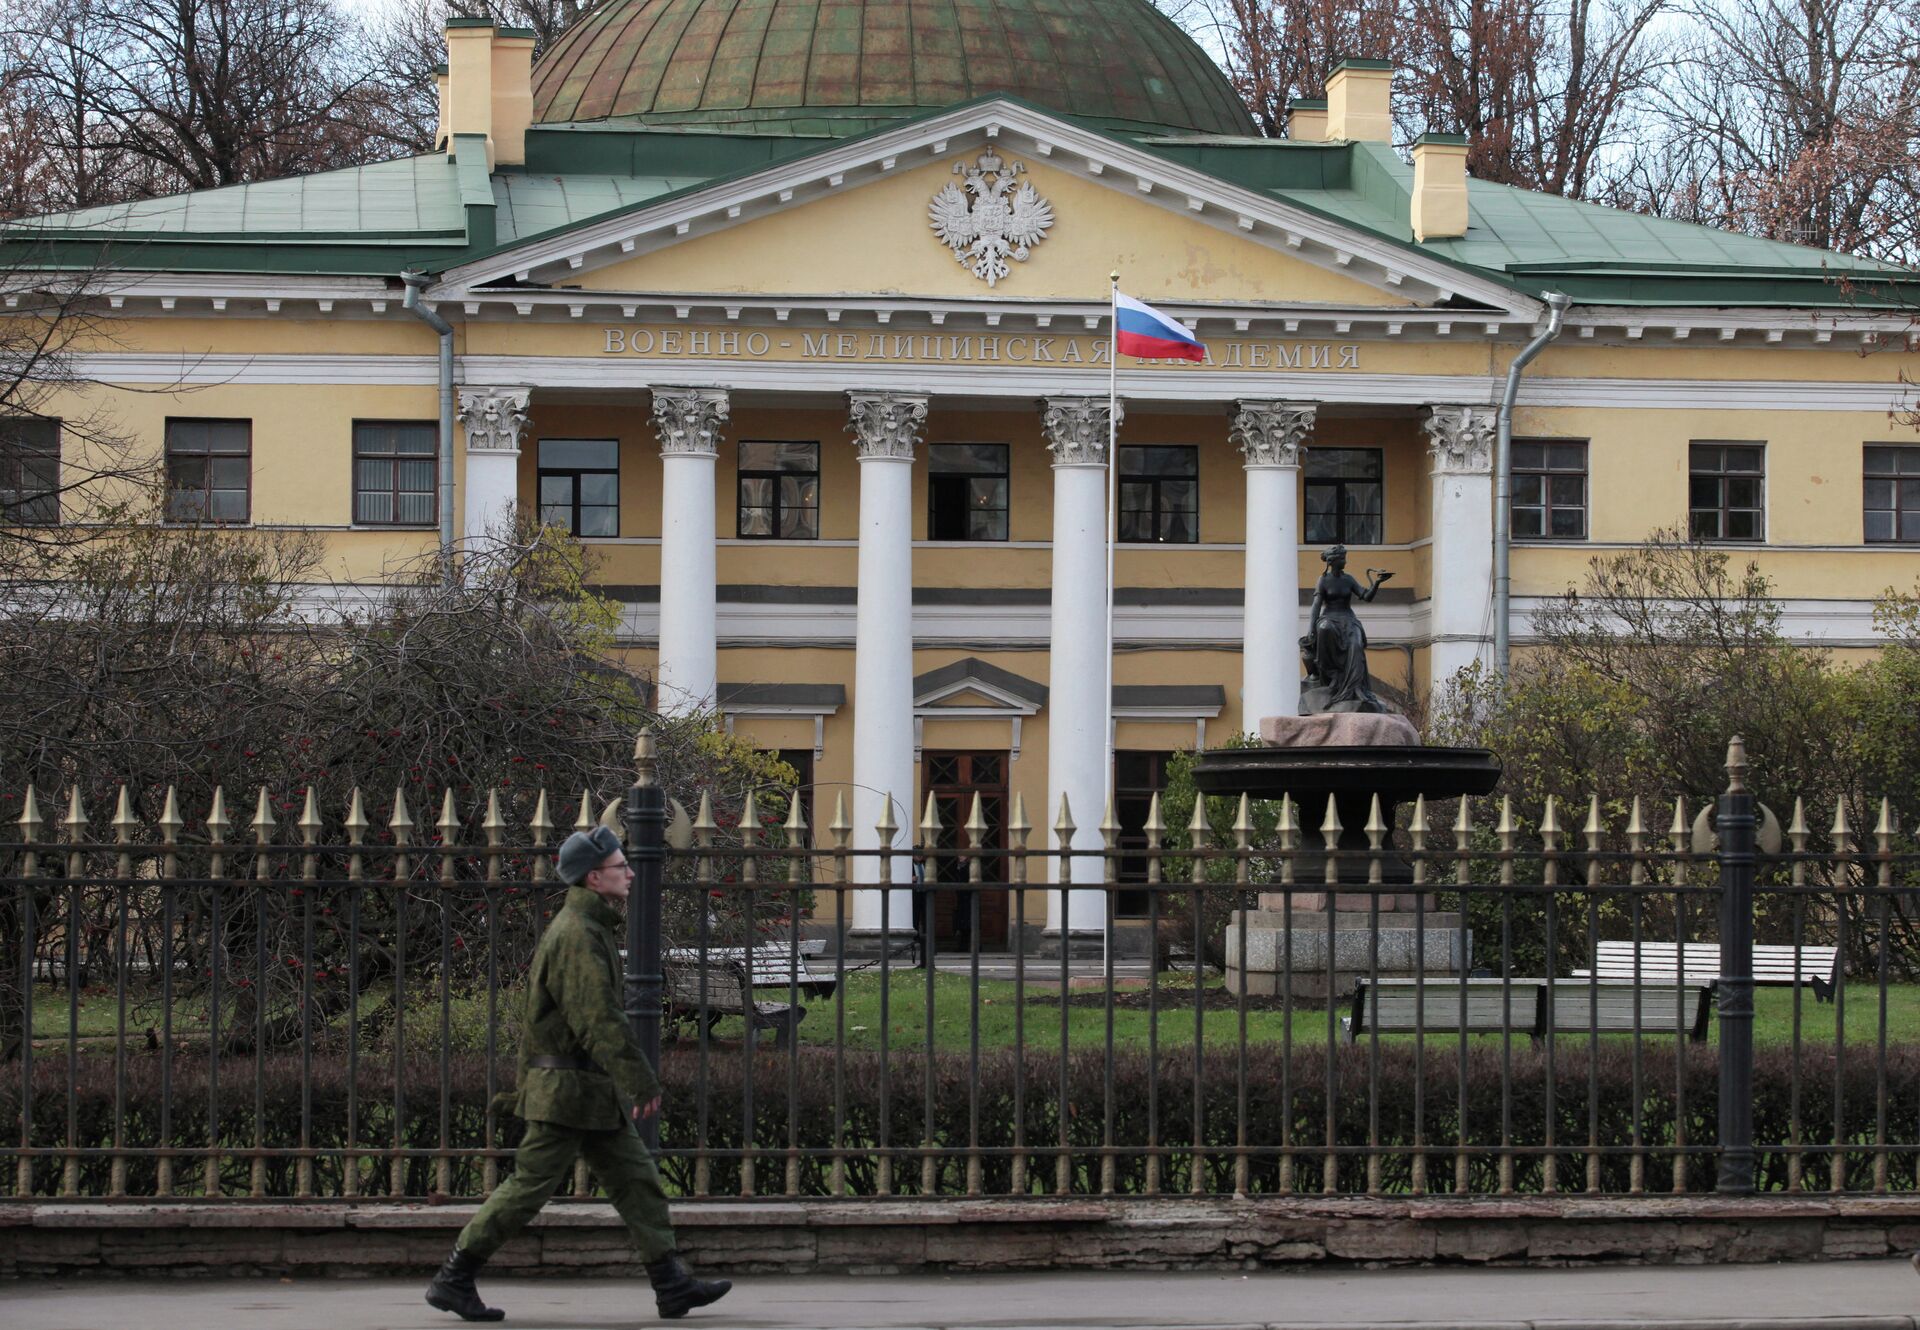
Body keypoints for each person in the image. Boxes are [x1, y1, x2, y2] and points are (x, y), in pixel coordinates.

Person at [425, 824, 732, 1322]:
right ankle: (454, 1278)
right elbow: (597, 1018)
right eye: (620, 867)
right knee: (528, 1187)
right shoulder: (577, 936)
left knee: (638, 1181)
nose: (630, 873)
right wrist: (639, 1079)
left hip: (589, 1093)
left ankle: (671, 1283)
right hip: (566, 1093)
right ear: (594, 878)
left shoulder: (590, 929)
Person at [1301, 544, 1393, 713]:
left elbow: (1366, 597)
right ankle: (1332, 676)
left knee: (1356, 645)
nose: (1345, 561)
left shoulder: (1348, 579)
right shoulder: (1323, 580)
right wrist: (1311, 628)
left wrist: (1377, 583)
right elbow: (1316, 605)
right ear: (1333, 561)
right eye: (1342, 558)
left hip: (1348, 620)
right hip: (1329, 617)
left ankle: (1355, 689)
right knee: (1324, 629)